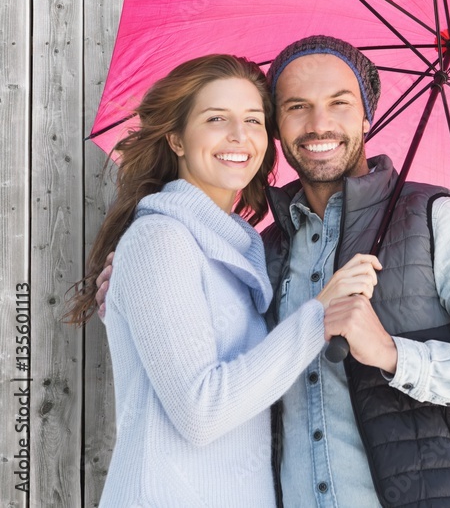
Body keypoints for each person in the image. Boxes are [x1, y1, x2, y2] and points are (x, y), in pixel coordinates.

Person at [98, 37, 450, 507]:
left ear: (366, 117)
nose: (319, 124)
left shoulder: (434, 219)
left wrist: (396, 355)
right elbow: (229, 379)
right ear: (278, 127)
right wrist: (135, 298)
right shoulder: (261, 253)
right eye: (297, 107)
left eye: (339, 103)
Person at [66, 55, 381, 507]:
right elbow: (202, 413)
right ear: (176, 138)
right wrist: (319, 315)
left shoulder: (240, 250)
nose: (239, 136)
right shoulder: (161, 238)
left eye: (253, 120)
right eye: (217, 119)